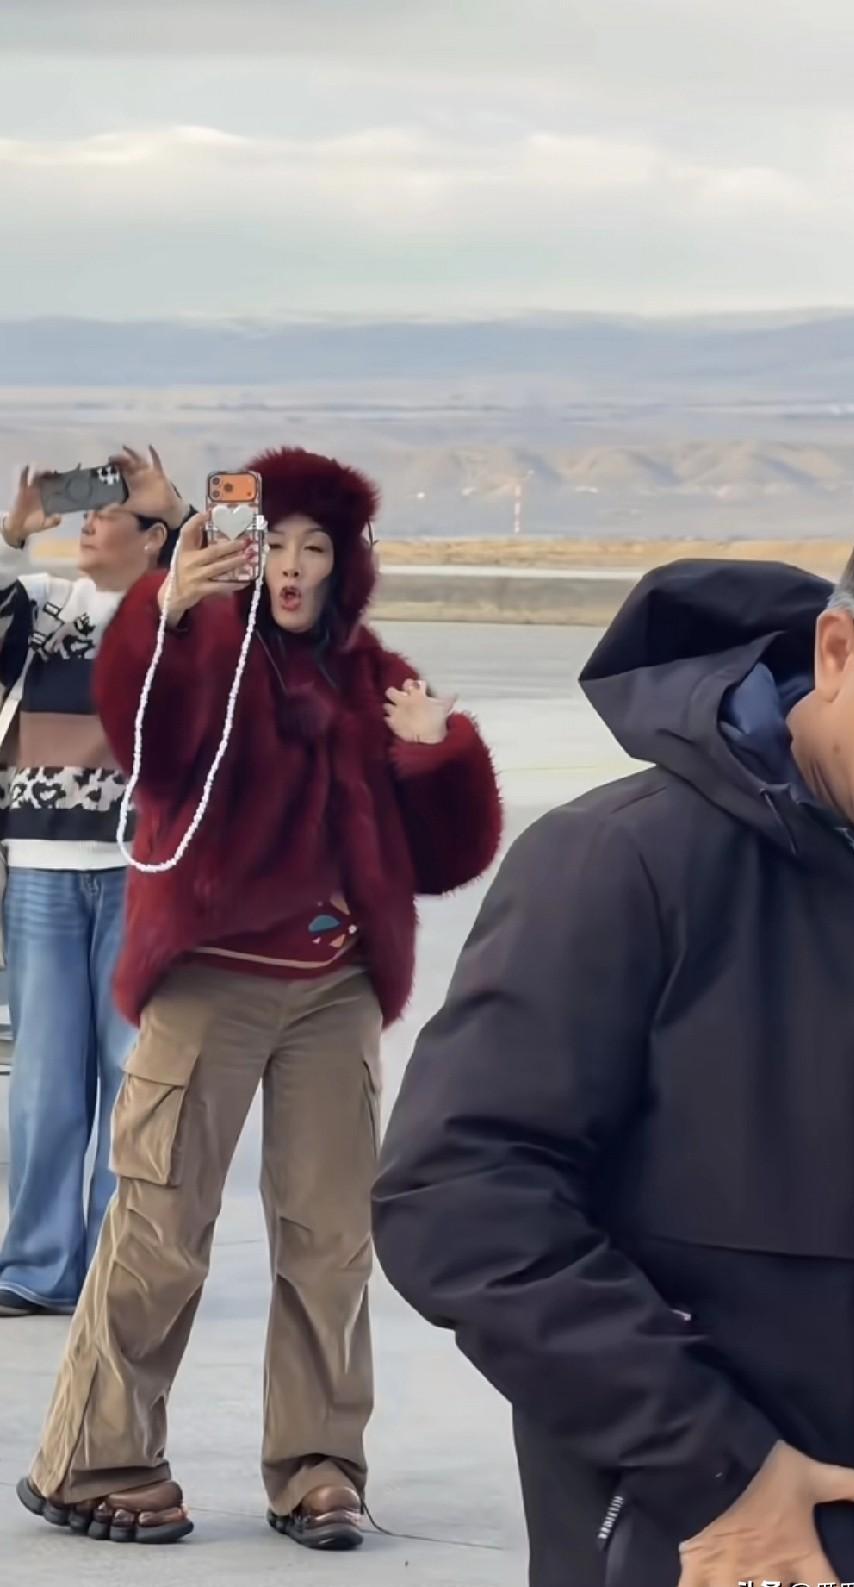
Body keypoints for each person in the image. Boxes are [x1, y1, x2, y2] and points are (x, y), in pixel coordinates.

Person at [370, 483, 854, 1587]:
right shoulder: (624, 865)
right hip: (713, 1540)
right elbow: (458, 1199)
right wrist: (717, 1467)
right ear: (837, 652)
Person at [17, 446, 502, 1552]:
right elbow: (152, 751)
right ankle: (96, 1460)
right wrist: (167, 614)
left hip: (334, 993)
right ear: (245, 550)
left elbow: (444, 858)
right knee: (161, 1226)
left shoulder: (374, 676)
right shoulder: (206, 645)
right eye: (274, 542)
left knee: (331, 1239)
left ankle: (320, 1467)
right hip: (209, 979)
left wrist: (438, 755)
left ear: (345, 564)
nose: (290, 566)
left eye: (314, 548)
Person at [0, 449, 193, 1319]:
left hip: (139, 874)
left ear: (151, 540)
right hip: (42, 868)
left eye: (109, 512)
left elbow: (247, 611)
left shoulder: (174, 614)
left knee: (133, 1074)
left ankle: (120, 1265)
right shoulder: (44, 606)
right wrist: (12, 536)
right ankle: (36, 1266)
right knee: (43, 1079)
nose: (88, 522)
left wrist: (180, 514)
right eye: (84, 512)